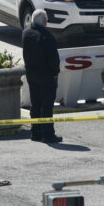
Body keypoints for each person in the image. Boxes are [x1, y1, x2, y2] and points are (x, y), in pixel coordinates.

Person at [22, 9, 62, 144]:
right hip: (46, 76)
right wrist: (55, 73)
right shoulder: (46, 36)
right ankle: (48, 134)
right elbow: (53, 59)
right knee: (47, 105)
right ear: (44, 21)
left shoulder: (26, 33)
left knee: (36, 104)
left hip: (31, 74)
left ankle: (35, 132)